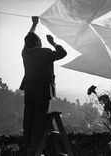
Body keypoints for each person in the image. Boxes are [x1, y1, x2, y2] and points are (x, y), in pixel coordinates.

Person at [19, 16, 67, 156]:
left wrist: (34, 25)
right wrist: (53, 43)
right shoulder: (45, 52)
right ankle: (32, 148)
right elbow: (62, 53)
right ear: (37, 43)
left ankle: (25, 145)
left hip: (29, 90)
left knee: (28, 118)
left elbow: (28, 38)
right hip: (43, 92)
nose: (41, 41)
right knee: (39, 120)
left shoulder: (25, 53)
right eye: (39, 40)